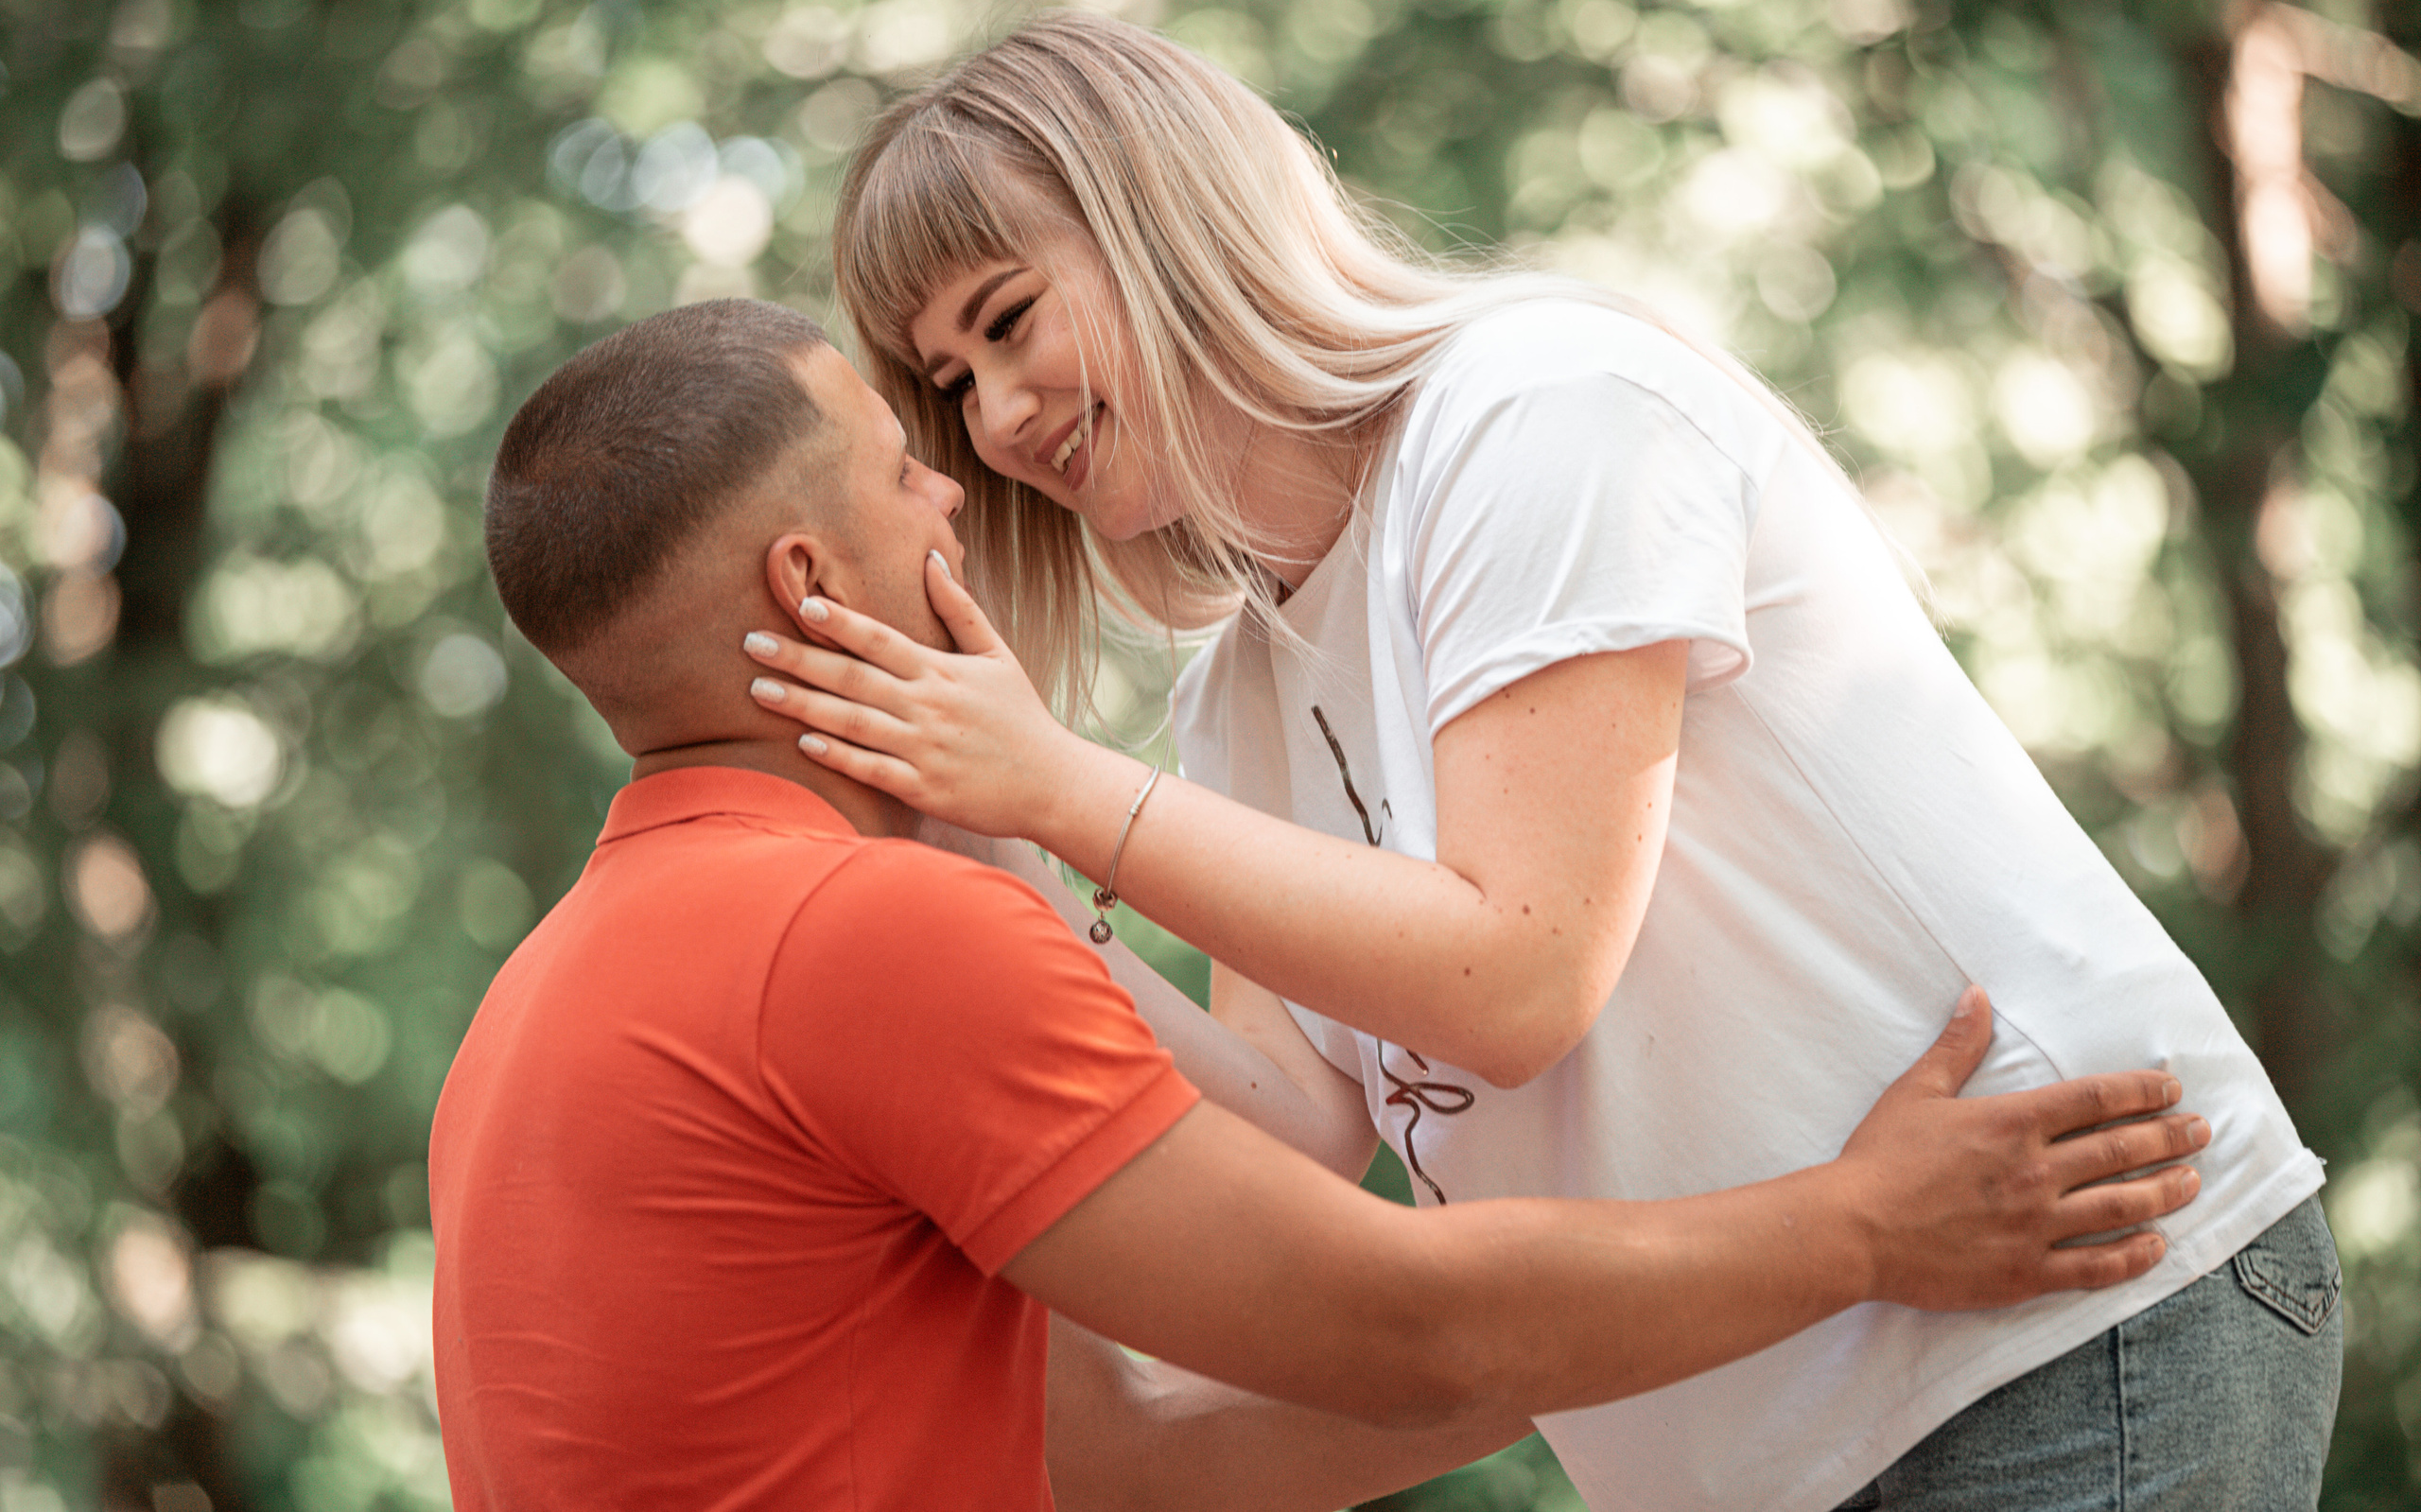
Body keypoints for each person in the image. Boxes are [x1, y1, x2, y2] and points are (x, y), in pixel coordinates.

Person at [742, 12, 2344, 1511]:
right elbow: (1291, 1128)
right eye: (949, 385)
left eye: (1009, 320)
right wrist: (997, 854)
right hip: (1757, 1438)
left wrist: (1052, 785)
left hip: (2063, 1320)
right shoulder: (1235, 692)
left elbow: (1518, 976)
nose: (1001, 417)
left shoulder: (1534, 416)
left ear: (1165, 216)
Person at [432, 297, 2208, 1512]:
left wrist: (1677, 1302)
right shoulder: (857, 939)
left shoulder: (544, 1004)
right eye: (910, 466)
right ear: (809, 587)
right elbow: (1395, 1325)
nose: (958, 493)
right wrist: (1863, 1236)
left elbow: (1125, 1465)